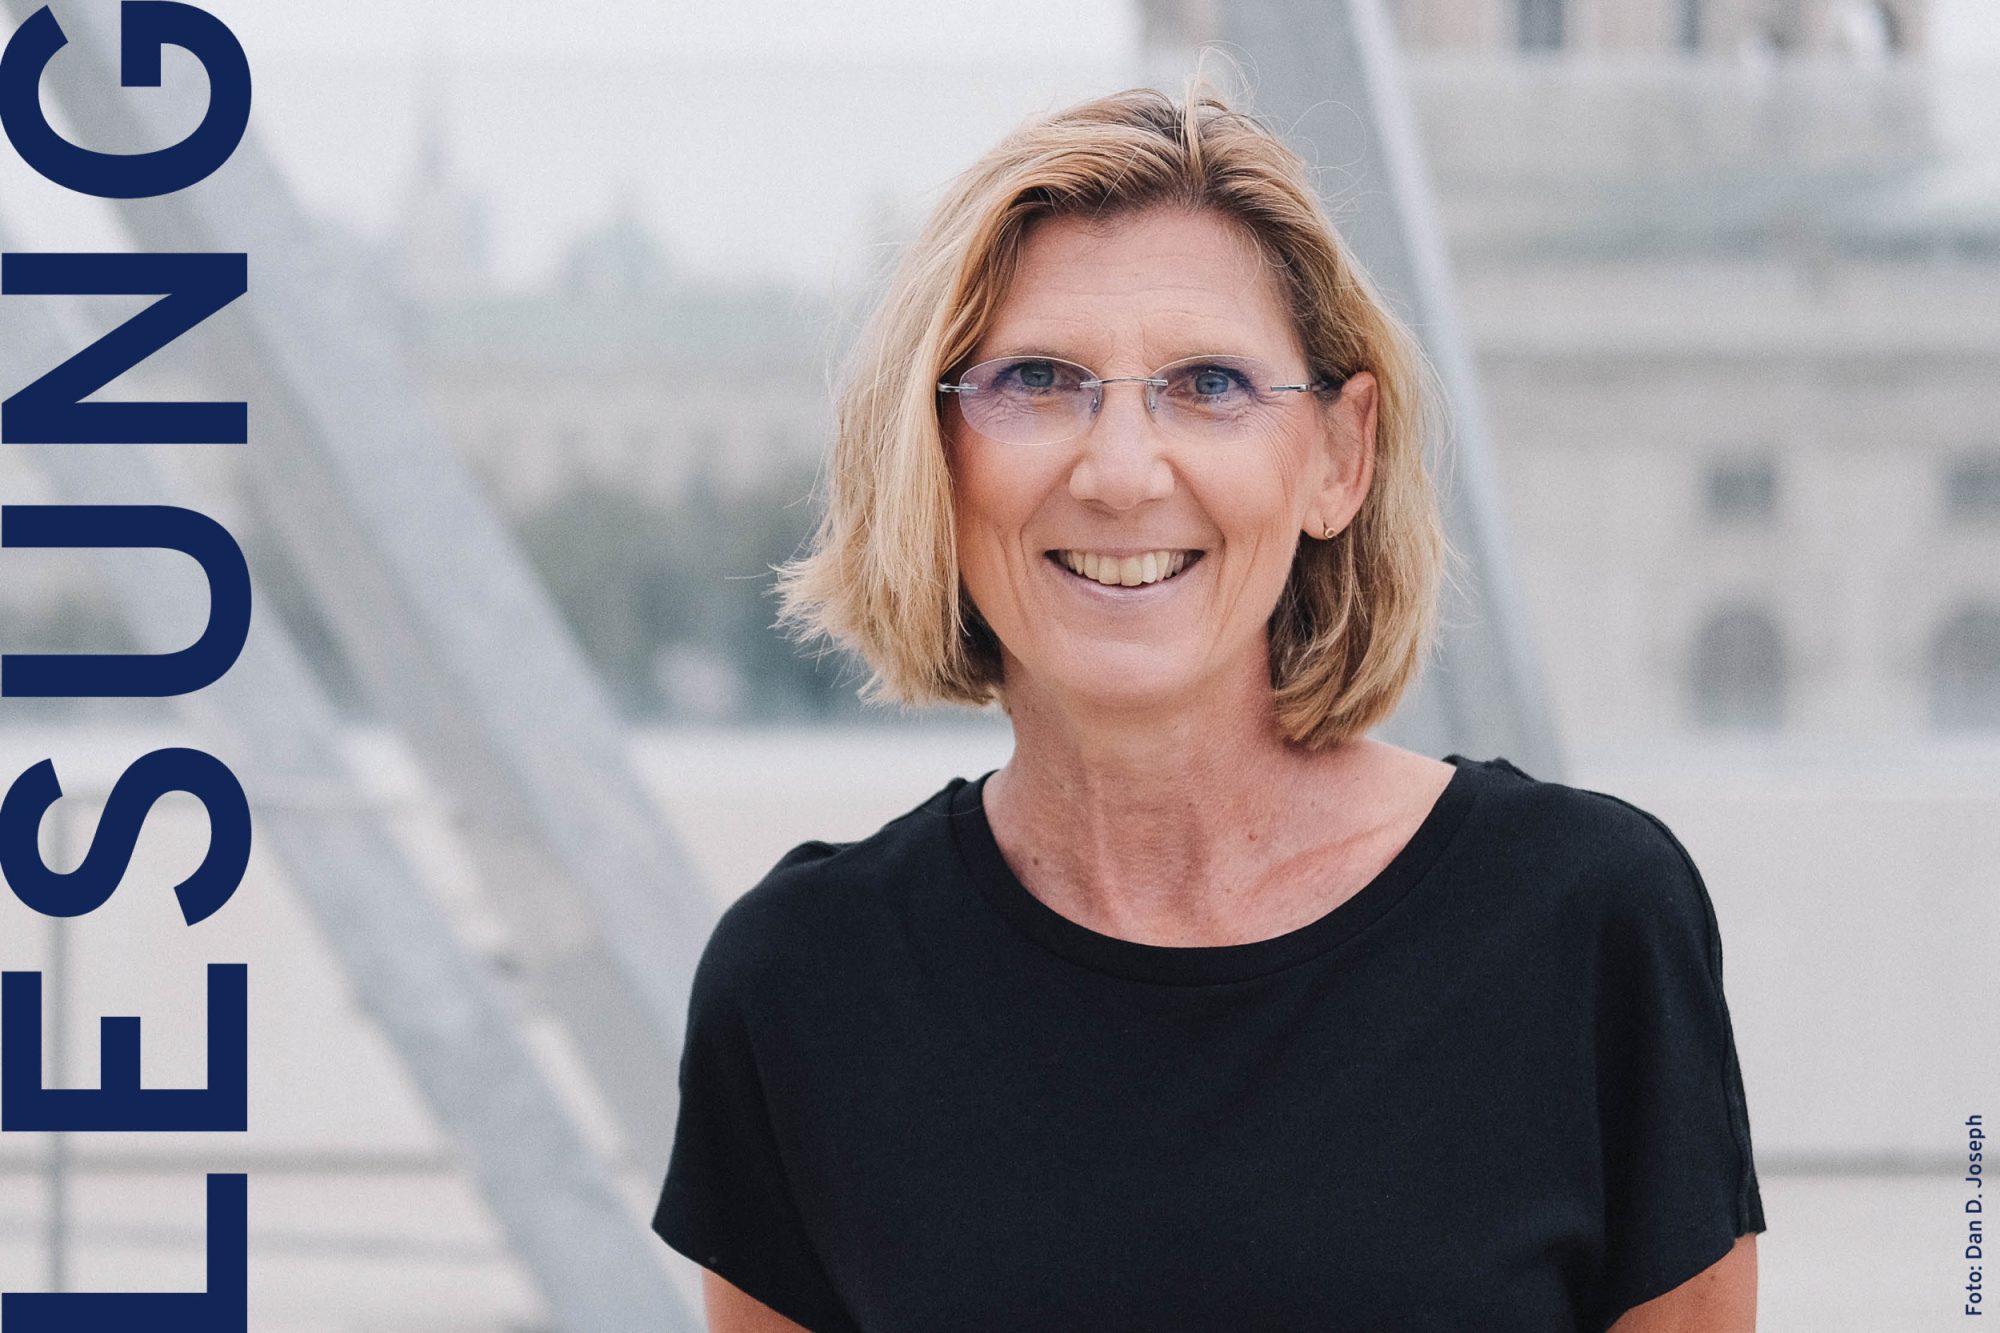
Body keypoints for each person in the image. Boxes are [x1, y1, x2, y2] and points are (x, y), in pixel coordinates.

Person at [651, 83, 1765, 1332]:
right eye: (1036, 380)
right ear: (933, 453)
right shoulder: (803, 981)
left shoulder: (1584, 917)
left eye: (1210, 384)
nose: (1122, 472)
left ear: (1339, 456)